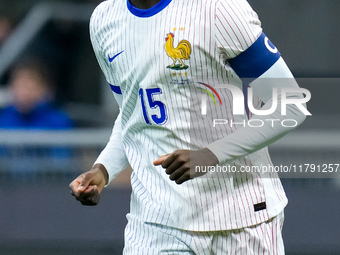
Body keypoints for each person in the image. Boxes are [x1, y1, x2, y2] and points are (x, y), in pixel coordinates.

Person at [69, 0, 308, 254]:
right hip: (156, 224)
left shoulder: (218, 9)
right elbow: (133, 113)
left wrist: (211, 154)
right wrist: (103, 168)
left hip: (243, 220)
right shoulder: (104, 20)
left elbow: (291, 105)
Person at [0, 57, 73, 129]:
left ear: (44, 88)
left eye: (28, 86)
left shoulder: (58, 122)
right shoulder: (4, 118)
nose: (23, 93)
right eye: (18, 86)